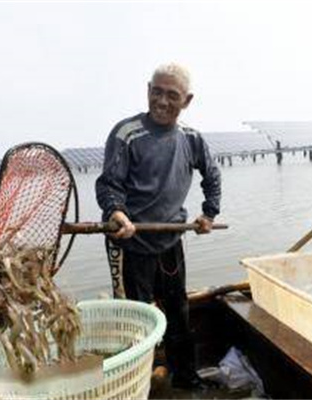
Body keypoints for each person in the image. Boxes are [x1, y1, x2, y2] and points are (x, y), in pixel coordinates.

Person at [95, 63, 221, 389]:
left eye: (172, 96)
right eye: (157, 92)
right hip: (129, 244)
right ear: (147, 89)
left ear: (187, 101)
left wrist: (209, 213)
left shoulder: (192, 139)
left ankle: (186, 379)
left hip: (170, 241)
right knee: (134, 322)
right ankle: (136, 386)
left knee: (178, 312)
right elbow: (109, 185)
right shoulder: (127, 134)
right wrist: (116, 212)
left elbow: (213, 175)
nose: (162, 101)